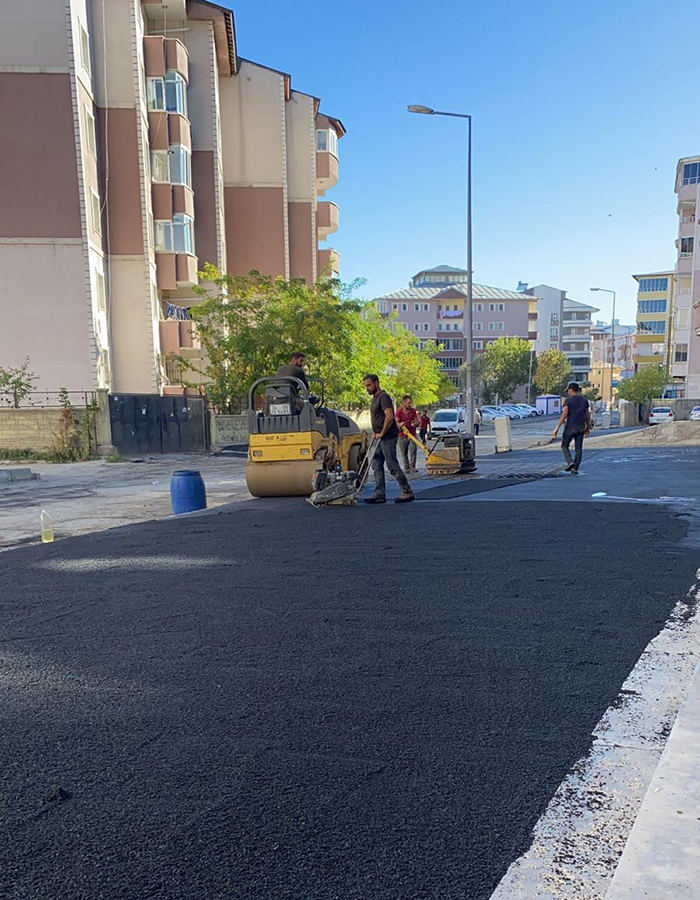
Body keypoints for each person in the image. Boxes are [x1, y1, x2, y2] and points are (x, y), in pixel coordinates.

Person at [362, 375, 414, 504]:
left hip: (388, 437)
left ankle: (407, 491)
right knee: (376, 464)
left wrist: (382, 432)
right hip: (379, 437)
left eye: (369, 385)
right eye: (365, 386)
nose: (367, 388)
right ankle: (379, 493)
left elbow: (389, 416)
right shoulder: (375, 398)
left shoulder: (383, 397)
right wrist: (376, 433)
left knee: (392, 465)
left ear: (376, 383)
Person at [553, 382, 591, 473]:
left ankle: (570, 462)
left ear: (571, 390)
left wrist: (557, 427)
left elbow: (565, 414)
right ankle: (575, 467)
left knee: (564, 445)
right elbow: (587, 415)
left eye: (568, 390)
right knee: (579, 448)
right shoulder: (584, 400)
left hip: (570, 426)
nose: (568, 392)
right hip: (581, 426)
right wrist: (588, 427)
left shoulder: (568, 400)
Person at [395, 394, 419, 473]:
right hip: (402, 435)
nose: (410, 405)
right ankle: (406, 467)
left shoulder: (413, 411)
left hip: (412, 434)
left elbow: (416, 421)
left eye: (410, 403)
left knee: (413, 450)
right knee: (404, 452)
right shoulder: (398, 412)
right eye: (408, 403)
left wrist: (415, 424)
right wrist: (400, 424)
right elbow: (396, 423)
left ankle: (413, 466)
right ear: (404, 403)